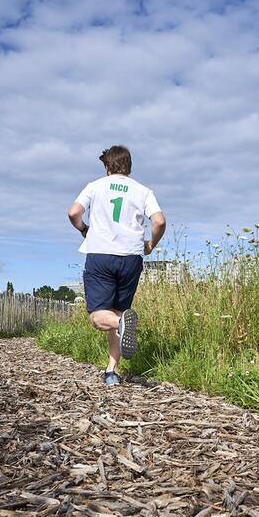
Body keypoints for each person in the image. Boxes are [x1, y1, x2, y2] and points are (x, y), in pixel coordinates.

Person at [67, 145, 166, 386]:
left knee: (99, 317)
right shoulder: (143, 191)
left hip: (101, 254)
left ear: (107, 166)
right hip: (131, 258)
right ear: (129, 166)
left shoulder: (95, 186)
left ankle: (120, 328)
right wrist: (151, 244)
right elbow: (160, 221)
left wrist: (84, 229)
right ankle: (111, 372)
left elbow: (73, 213)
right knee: (120, 313)